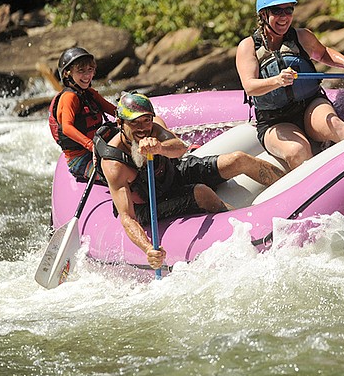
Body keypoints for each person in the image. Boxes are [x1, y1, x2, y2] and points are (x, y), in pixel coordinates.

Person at [95, 92, 286, 269]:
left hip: (172, 174)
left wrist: (159, 148)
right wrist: (148, 249)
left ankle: (291, 188)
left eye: (146, 120)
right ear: (120, 123)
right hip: (149, 203)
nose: (143, 128)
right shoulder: (114, 164)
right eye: (134, 123)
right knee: (201, 192)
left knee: (238, 159)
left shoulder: (154, 128)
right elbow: (127, 217)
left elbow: (179, 148)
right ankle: (253, 233)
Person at [235, 0, 344, 170]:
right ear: (264, 15)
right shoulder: (248, 47)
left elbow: (323, 54)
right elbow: (250, 86)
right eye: (277, 11)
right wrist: (277, 80)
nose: (284, 17)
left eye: (288, 10)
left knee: (335, 125)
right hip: (274, 120)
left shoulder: (301, 36)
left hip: (310, 105)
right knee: (296, 151)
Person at [48, 47, 117, 180]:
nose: (87, 75)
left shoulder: (89, 93)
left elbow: (114, 111)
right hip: (80, 159)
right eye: (81, 71)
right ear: (68, 74)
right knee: (118, 173)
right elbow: (67, 128)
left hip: (98, 150)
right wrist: (91, 146)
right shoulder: (69, 97)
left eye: (90, 70)